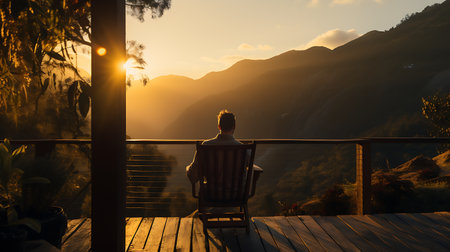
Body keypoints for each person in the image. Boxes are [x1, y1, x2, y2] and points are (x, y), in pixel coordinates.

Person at [186, 109, 263, 184]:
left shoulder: (205, 146)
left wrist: (188, 168)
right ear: (234, 127)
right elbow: (250, 166)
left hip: (210, 195)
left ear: (219, 126)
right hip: (237, 196)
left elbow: (192, 176)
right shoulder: (244, 150)